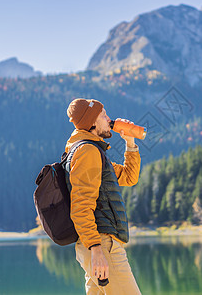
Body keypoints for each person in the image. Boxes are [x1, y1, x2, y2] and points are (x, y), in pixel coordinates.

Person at [65, 98, 142, 294]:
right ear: (91, 122)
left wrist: (130, 143)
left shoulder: (93, 152)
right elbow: (81, 205)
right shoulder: (87, 152)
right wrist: (96, 249)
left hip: (95, 244)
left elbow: (129, 177)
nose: (109, 119)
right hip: (101, 243)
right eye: (103, 115)